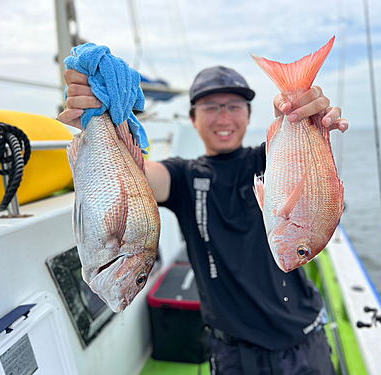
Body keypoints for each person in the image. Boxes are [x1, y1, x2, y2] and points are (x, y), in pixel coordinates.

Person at [59, 65, 348, 375]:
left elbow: (320, 199)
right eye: (210, 107)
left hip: (304, 341)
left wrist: (305, 117)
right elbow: (137, 174)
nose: (223, 117)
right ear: (193, 118)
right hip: (232, 352)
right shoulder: (183, 175)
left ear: (249, 116)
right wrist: (98, 118)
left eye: (234, 106)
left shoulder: (272, 161)